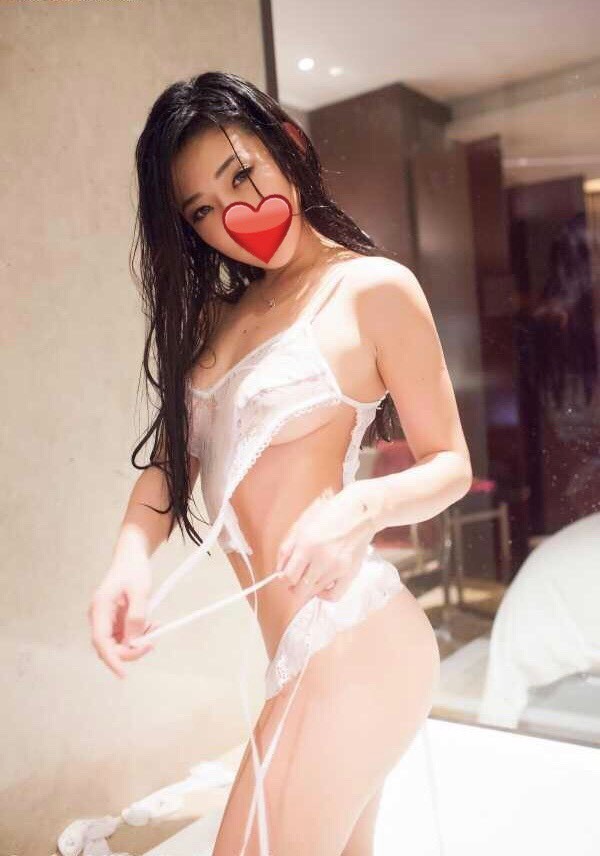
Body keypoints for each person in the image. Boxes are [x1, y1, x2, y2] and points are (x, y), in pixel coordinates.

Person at [87, 71, 471, 856]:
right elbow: (173, 462)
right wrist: (127, 561)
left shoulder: (370, 289)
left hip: (356, 641)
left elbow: (450, 465)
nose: (236, 217)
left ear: (288, 146)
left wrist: (359, 508)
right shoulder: (216, 320)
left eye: (243, 175)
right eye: (201, 210)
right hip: (296, 659)